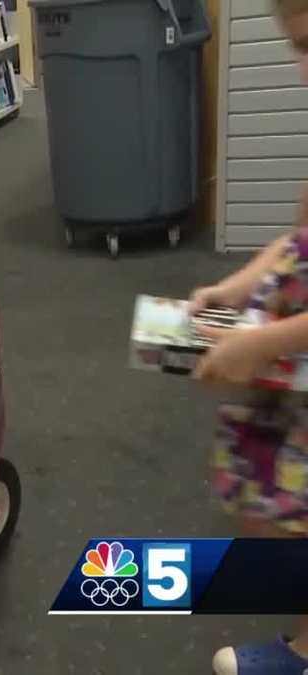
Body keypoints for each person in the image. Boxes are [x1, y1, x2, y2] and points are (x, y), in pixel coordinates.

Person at [191, 5, 308, 671]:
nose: (300, 67)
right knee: (277, 506)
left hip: (293, 359)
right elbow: (299, 243)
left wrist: (257, 346)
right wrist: (235, 288)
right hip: (290, 370)